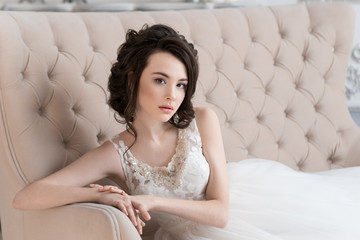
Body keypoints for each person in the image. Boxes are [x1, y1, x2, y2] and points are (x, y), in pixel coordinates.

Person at [13, 24, 360, 240]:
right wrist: (101, 197)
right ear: (133, 80)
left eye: (181, 85)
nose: (172, 95)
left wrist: (151, 200)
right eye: (160, 80)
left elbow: (220, 213)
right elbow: (25, 198)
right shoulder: (114, 155)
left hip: (249, 213)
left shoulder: (202, 121)